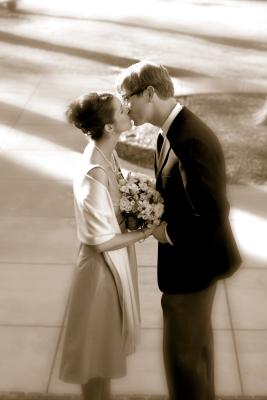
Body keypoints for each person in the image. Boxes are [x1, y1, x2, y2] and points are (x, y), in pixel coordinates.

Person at [116, 61, 242, 400]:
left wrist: (166, 233)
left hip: (193, 268)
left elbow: (213, 212)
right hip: (190, 266)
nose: (124, 106)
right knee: (195, 356)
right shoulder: (167, 133)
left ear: (150, 93)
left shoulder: (191, 139)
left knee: (183, 362)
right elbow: (182, 195)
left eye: (126, 97)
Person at [59, 91, 154, 400]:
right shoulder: (93, 174)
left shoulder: (108, 154)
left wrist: (139, 205)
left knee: (103, 351)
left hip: (114, 262)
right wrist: (149, 230)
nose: (128, 110)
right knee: (94, 357)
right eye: (120, 109)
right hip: (100, 274)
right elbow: (102, 242)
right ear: (110, 127)